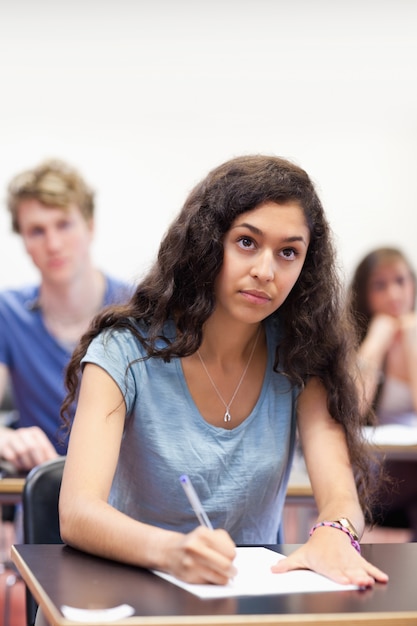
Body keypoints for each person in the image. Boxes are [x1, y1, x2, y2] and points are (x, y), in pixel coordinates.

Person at [59, 154, 388, 588]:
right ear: (207, 242)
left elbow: (340, 495)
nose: (265, 271)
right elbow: (78, 512)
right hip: (130, 592)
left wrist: (335, 531)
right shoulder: (123, 350)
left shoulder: (302, 354)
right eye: (247, 242)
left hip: (248, 600)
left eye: (289, 252)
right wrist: (172, 551)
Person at [0, 158, 134, 472]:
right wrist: (5, 437)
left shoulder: (139, 308)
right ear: (24, 242)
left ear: (89, 226)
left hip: (126, 496)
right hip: (45, 495)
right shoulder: (9, 314)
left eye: (63, 224)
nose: (54, 244)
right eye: (36, 231)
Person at [347, 246, 417, 540]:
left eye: (400, 281)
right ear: (364, 294)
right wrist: (377, 340)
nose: (393, 294)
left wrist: (412, 342)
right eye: (380, 285)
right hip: (376, 469)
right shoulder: (350, 338)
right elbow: (353, 410)